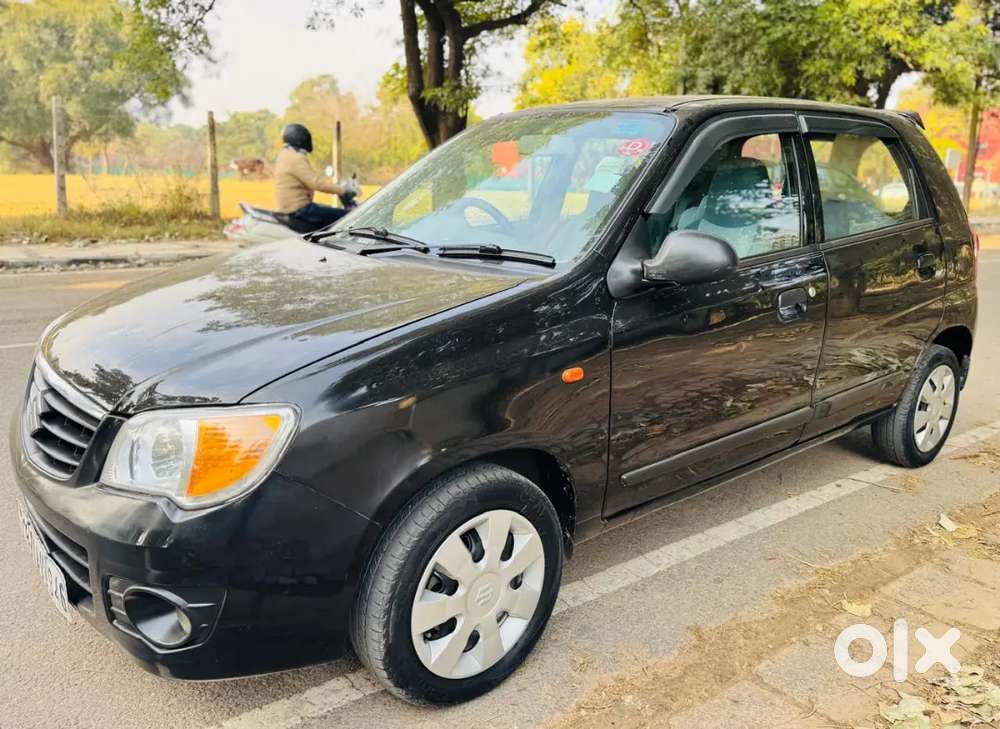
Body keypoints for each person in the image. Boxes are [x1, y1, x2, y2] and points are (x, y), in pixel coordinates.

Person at [274, 123, 356, 231]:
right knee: (347, 216)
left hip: (290, 210)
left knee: (328, 212)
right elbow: (316, 183)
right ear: (300, 138)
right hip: (301, 210)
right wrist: (342, 191)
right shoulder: (296, 158)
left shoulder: (284, 155)